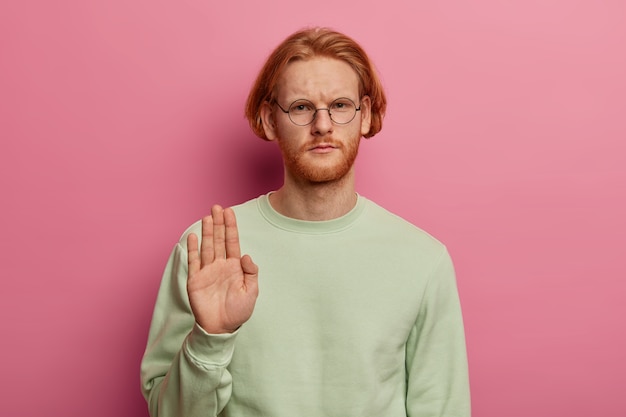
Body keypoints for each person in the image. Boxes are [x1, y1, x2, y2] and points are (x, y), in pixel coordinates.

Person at [140, 27, 471, 417]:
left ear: (364, 116)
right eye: (300, 107)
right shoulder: (207, 251)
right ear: (268, 121)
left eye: (340, 105)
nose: (323, 125)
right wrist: (210, 338)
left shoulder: (423, 260)